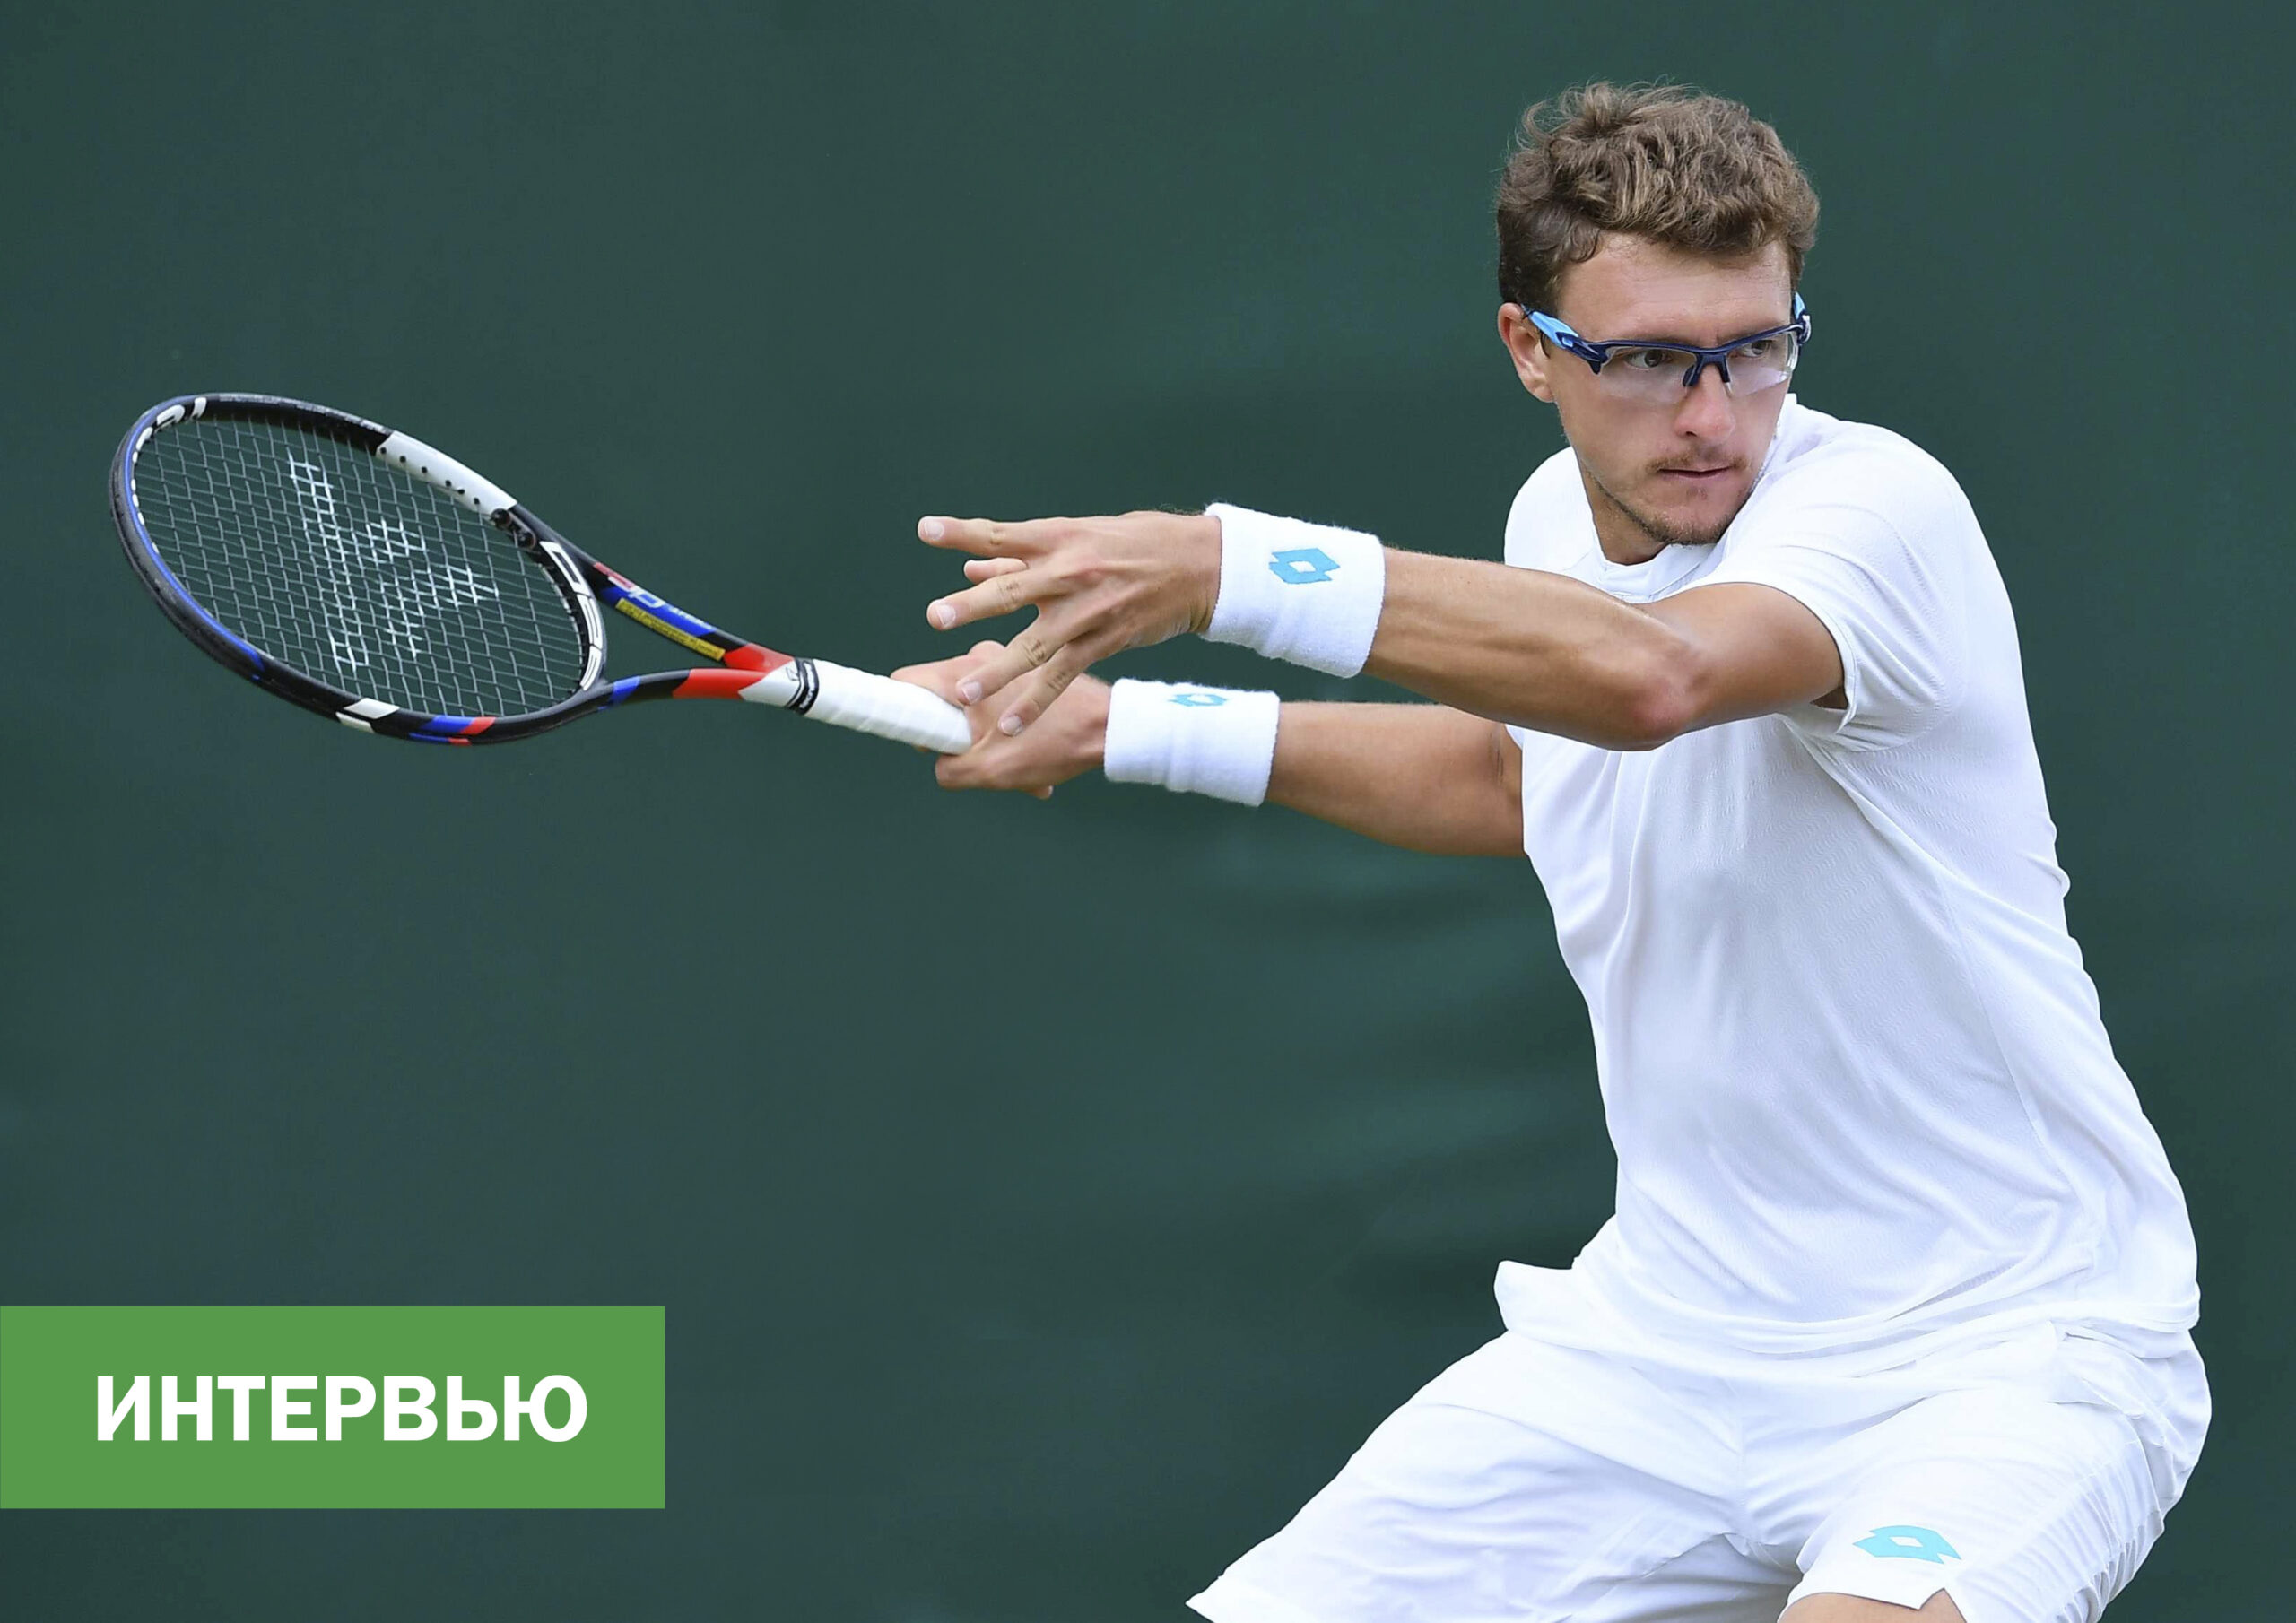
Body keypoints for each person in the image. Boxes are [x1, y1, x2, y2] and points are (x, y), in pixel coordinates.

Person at [891, 82, 2206, 1623]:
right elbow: (1519, 773)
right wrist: (1128, 722)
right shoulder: (1555, 524)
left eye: (1756, 347)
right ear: (1531, 349)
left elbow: (1656, 681)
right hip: (1661, 1350)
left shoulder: (1877, 508)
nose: (1711, 414)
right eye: (1649, 359)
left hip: (2004, 1355)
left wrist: (1225, 566)